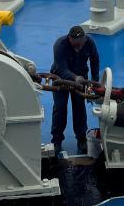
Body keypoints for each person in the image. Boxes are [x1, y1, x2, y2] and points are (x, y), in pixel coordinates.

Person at [50, 25, 100, 155]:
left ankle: (81, 139)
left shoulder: (90, 42)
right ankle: (56, 140)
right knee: (60, 108)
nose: (78, 48)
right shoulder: (60, 45)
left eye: (80, 44)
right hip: (61, 78)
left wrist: (95, 80)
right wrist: (74, 77)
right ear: (69, 39)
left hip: (81, 78)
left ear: (84, 39)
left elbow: (95, 60)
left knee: (79, 107)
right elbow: (61, 68)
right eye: (75, 45)